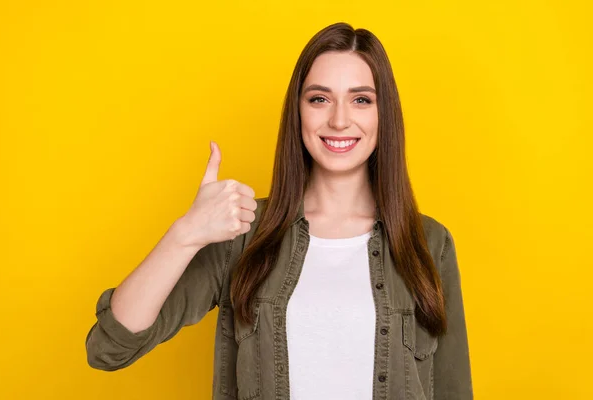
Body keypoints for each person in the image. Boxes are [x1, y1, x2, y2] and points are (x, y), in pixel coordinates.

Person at [85, 22, 473, 400]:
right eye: (319, 98)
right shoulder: (242, 235)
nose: (339, 120)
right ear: (298, 112)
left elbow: (454, 391)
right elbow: (109, 347)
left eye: (361, 99)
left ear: (383, 113)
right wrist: (186, 233)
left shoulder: (429, 243)